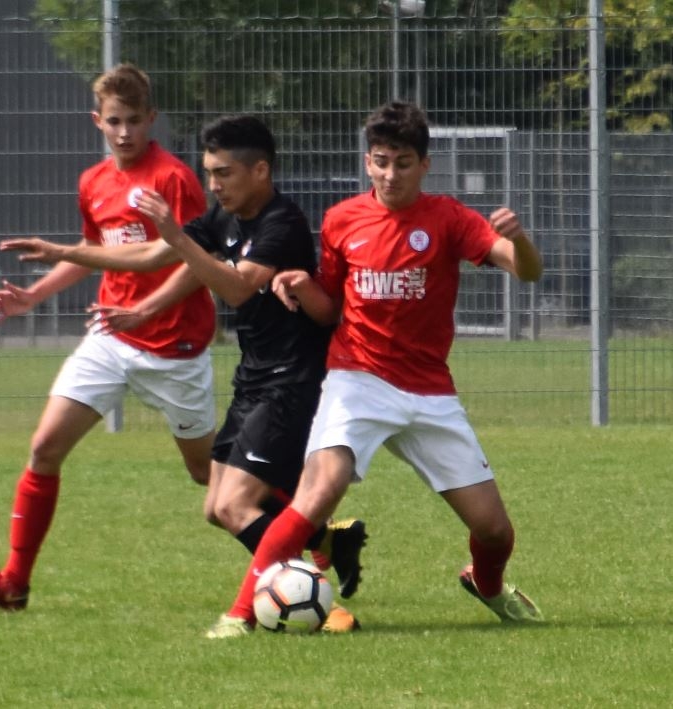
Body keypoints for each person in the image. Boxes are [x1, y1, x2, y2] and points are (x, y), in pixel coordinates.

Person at [0, 115, 368, 635]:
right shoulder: (224, 218)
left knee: (236, 505)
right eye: (209, 172)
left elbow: (236, 287)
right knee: (215, 506)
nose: (214, 184)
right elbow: (152, 254)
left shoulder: (280, 223)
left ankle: (305, 605)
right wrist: (66, 253)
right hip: (255, 376)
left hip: (293, 380)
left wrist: (176, 236)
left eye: (224, 173)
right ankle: (325, 545)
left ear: (260, 171)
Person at [208, 100, 546, 636]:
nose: (391, 174)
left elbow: (526, 271)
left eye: (403, 163)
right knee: (320, 492)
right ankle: (241, 613)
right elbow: (331, 310)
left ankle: (486, 584)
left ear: (424, 165)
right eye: (381, 162)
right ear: (368, 161)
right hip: (356, 378)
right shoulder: (341, 220)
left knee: (495, 531)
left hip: (428, 391)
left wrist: (520, 239)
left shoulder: (449, 218)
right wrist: (303, 286)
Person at [0, 63, 218, 610]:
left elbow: (195, 261)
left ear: (152, 119)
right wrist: (34, 295)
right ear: (98, 121)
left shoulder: (172, 179)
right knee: (45, 447)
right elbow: (92, 251)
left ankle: (315, 531)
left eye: (134, 121)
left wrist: (145, 309)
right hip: (111, 337)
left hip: (174, 346)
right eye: (114, 122)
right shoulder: (93, 182)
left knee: (206, 475)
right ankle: (14, 582)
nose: (125, 132)